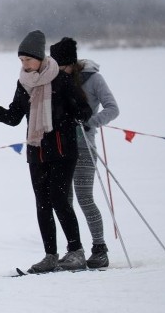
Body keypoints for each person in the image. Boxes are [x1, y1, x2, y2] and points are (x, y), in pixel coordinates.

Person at [0, 30, 93, 273]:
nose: (25, 64)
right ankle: (50, 256)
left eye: (28, 60)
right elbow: (13, 118)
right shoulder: (23, 83)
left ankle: (76, 251)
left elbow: (84, 111)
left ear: (40, 58)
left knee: (60, 200)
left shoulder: (61, 80)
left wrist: (68, 116)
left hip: (63, 150)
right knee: (42, 204)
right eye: (21, 61)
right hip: (37, 151)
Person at [49, 37, 120, 269]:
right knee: (64, 201)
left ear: (71, 63)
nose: (58, 71)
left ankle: (99, 249)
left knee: (84, 198)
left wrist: (91, 122)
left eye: (61, 67)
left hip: (84, 147)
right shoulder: (56, 80)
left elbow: (112, 108)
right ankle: (74, 250)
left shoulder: (93, 79)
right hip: (61, 148)